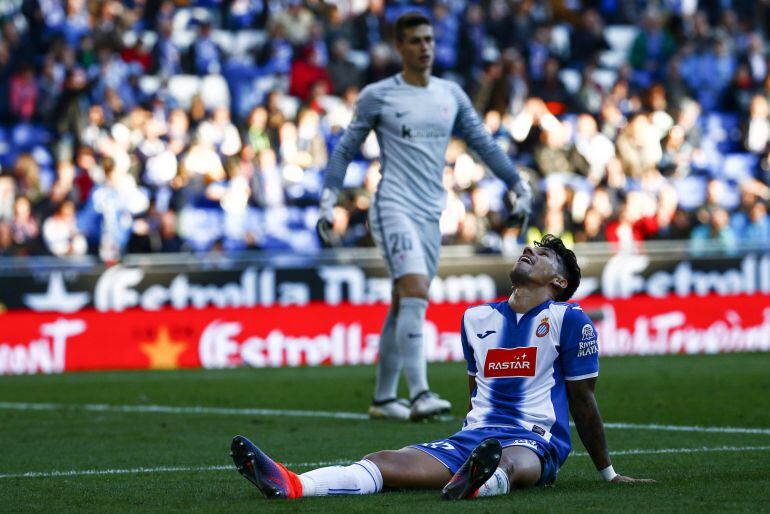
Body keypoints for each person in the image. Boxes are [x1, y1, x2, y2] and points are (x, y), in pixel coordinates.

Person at [230, 235, 653, 501]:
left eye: (541, 255)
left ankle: (478, 481)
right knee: (382, 460)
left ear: (558, 283)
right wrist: (471, 437)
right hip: (473, 440)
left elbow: (583, 401)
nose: (529, 251)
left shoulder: (569, 319)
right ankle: (295, 483)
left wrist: (608, 473)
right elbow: (475, 392)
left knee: (509, 461)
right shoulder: (475, 318)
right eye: (531, 248)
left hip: (533, 441)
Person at [316, 12, 533, 421]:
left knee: (404, 302)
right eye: (415, 40)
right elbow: (345, 149)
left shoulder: (450, 94)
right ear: (399, 47)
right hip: (392, 205)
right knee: (415, 290)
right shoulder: (379, 95)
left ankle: (383, 400)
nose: (425, 46)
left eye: (429, 39)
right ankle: (420, 394)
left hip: (431, 210)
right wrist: (329, 199)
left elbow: (483, 144)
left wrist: (516, 184)